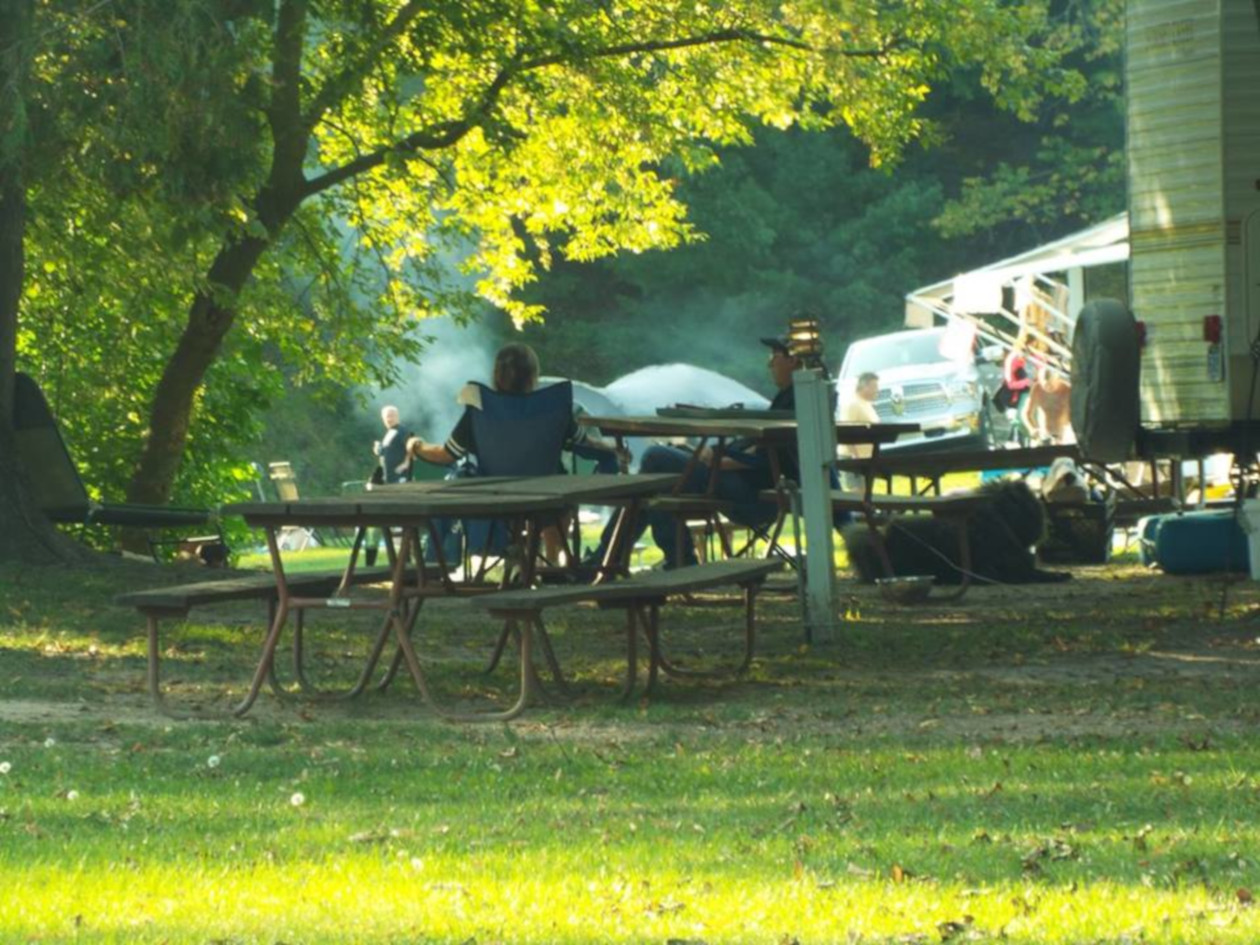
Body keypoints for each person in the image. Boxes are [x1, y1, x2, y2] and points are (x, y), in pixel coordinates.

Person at [592, 334, 808, 570]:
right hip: (741, 482)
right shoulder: (790, 397)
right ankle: (621, 558)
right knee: (650, 487)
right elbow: (763, 449)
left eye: (775, 356)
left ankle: (618, 558)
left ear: (793, 361)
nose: (770, 363)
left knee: (655, 459)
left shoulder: (798, 399)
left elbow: (771, 458)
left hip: (752, 493)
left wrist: (719, 461)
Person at [407, 342, 623, 564]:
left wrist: (416, 445)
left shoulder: (481, 409)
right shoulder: (553, 407)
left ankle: (518, 559)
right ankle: (551, 563)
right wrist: (614, 449)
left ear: (496, 375)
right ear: (533, 376)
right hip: (548, 501)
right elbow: (585, 443)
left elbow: (446, 455)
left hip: (494, 503)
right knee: (560, 491)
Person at [838, 371, 880, 491]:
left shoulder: (866, 403)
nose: (877, 390)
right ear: (864, 387)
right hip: (853, 458)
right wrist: (855, 456)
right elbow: (846, 430)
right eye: (874, 387)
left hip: (867, 457)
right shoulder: (852, 404)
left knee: (867, 493)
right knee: (857, 493)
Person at [374, 405, 414, 484]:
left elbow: (412, 448)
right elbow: (387, 452)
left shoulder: (402, 431)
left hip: (401, 478)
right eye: (387, 416)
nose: (389, 419)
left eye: (392, 416)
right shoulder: (390, 432)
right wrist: (378, 449)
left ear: (397, 416)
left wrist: (406, 464)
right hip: (389, 478)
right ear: (383, 419)